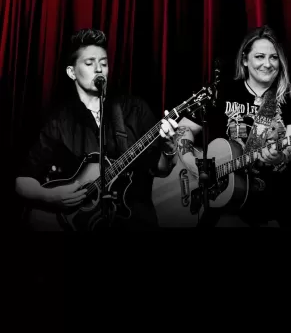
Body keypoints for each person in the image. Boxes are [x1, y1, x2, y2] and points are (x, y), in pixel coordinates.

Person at [15, 28, 180, 230]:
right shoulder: (60, 122)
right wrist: (51, 196)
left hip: (134, 222)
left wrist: (169, 148)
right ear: (71, 72)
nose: (99, 69)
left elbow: (161, 169)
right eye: (89, 63)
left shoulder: (134, 110)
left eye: (103, 63)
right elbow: (21, 182)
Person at [175, 25, 291, 227]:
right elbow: (183, 129)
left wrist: (281, 156)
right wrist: (191, 163)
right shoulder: (221, 92)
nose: (268, 64)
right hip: (222, 205)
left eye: (274, 57)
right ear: (244, 60)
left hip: (273, 205)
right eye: (259, 57)